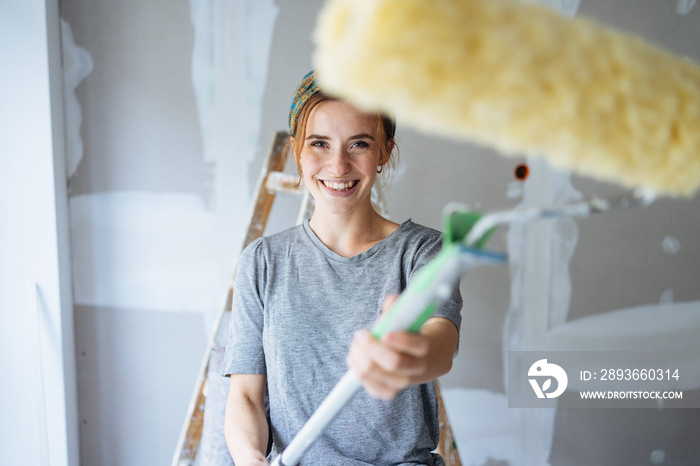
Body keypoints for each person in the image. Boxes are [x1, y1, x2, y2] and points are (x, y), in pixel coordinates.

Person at [222, 70, 463, 466]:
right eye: (319, 143)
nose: (338, 166)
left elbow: (440, 344)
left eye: (359, 144)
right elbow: (245, 396)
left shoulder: (423, 251)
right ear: (298, 150)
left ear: (385, 152)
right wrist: (250, 460)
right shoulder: (263, 261)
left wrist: (410, 355)